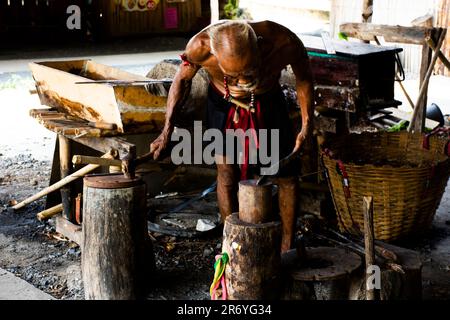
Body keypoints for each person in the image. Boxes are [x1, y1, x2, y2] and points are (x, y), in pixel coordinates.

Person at [149, 20, 314, 253]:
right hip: (225, 105)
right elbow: (182, 80)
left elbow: (304, 78)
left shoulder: (283, 41)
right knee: (227, 173)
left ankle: (287, 245)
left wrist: (307, 125)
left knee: (286, 175)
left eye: (249, 71)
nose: (244, 82)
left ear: (258, 46)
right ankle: (232, 243)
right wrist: (166, 131)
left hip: (268, 102)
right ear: (214, 54)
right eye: (234, 75)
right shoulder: (199, 46)